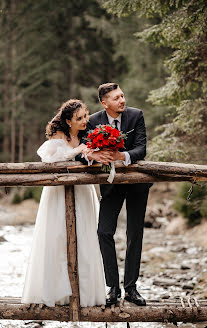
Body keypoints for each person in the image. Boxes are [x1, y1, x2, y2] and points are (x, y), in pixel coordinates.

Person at [21, 99, 106, 307]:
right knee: (57, 235)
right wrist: (78, 151)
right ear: (68, 121)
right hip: (59, 192)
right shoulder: (59, 135)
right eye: (79, 118)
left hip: (83, 191)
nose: (85, 120)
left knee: (85, 236)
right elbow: (50, 160)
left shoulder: (88, 134)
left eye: (86, 116)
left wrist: (92, 154)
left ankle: (84, 293)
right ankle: (56, 292)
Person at [84, 83, 152, 306]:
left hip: (137, 184)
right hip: (111, 185)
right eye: (116, 98)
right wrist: (96, 155)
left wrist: (120, 156)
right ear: (105, 103)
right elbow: (85, 150)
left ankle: (131, 288)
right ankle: (113, 287)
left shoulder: (136, 116)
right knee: (104, 232)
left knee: (135, 234)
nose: (122, 100)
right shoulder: (94, 121)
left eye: (122, 96)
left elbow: (141, 149)